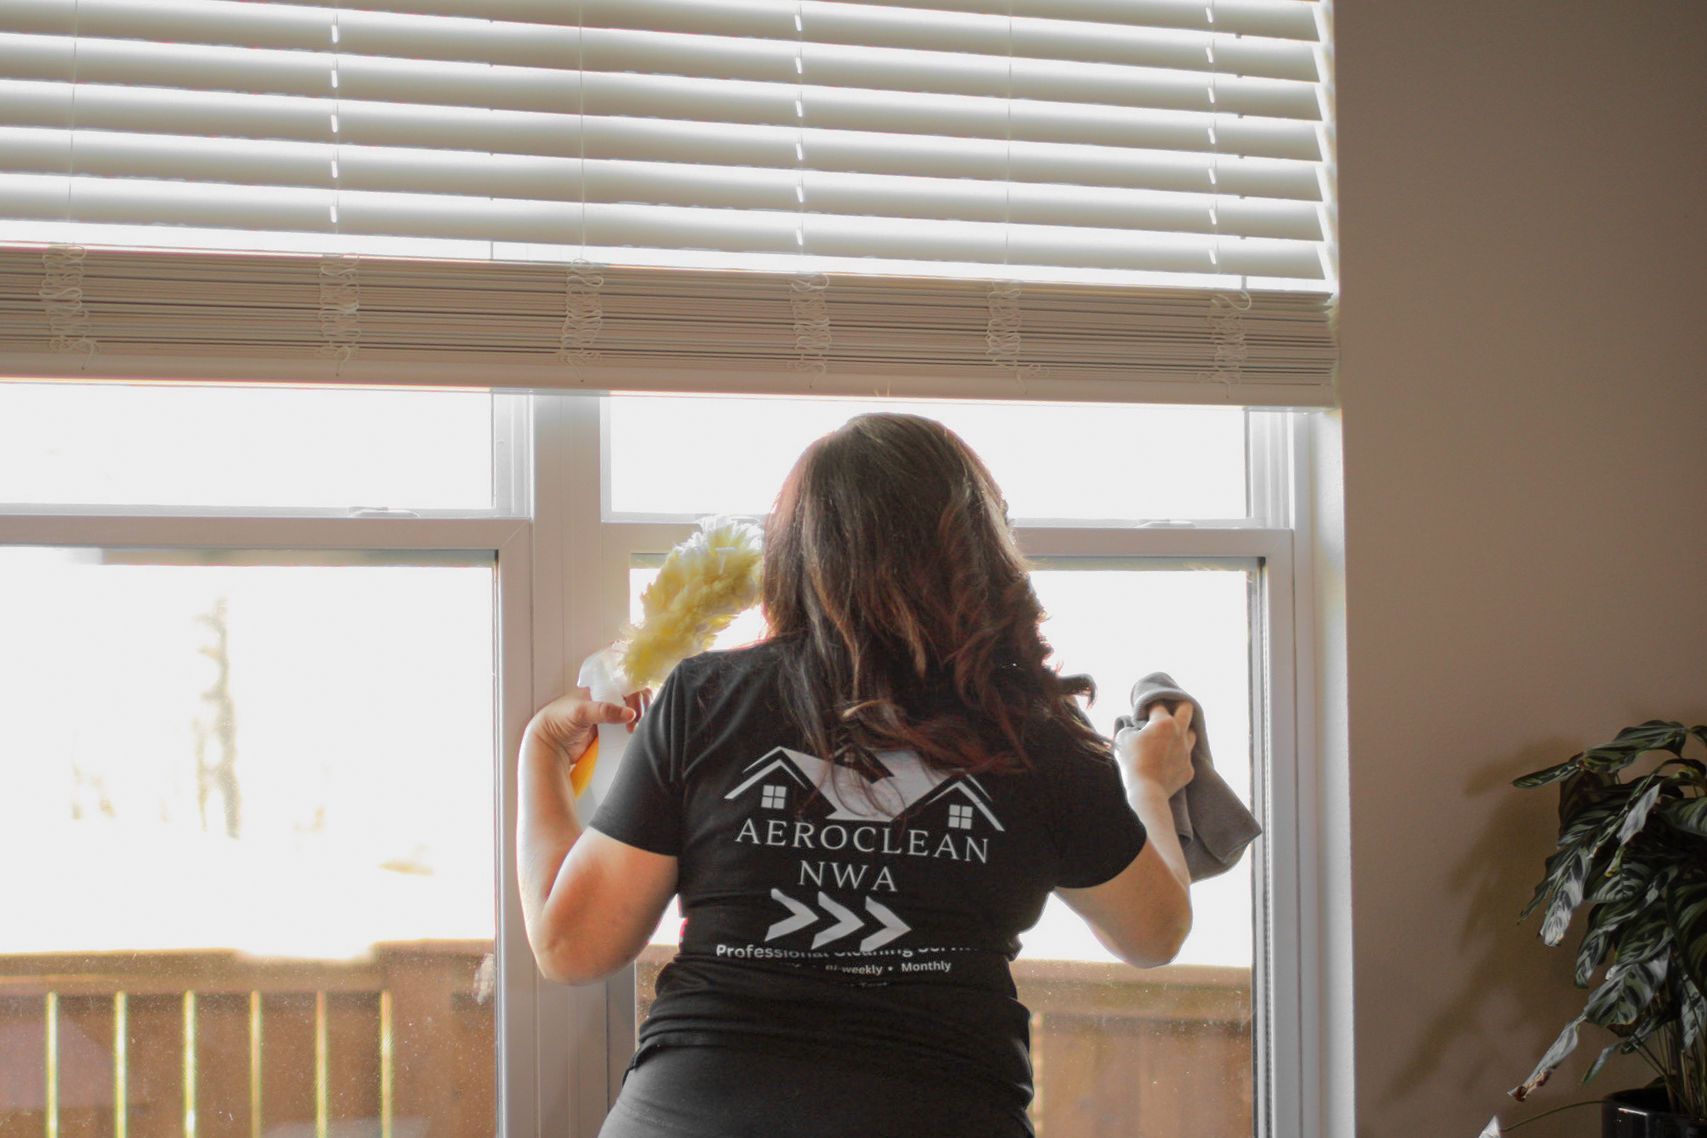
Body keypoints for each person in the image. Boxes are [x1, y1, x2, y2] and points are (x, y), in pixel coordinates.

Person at [517, 412, 1196, 1138]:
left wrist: (542, 751)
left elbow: (570, 946)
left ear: (796, 553)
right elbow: (1153, 934)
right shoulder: (1034, 732)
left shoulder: (707, 699)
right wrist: (1146, 785)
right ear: (979, 548)